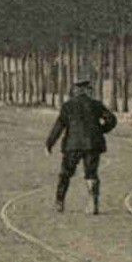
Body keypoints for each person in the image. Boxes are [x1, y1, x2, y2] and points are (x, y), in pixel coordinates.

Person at [45, 74, 118, 215]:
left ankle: (59, 202)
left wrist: (49, 144)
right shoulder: (96, 104)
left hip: (72, 146)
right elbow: (112, 120)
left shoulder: (67, 106)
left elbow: (58, 127)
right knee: (91, 174)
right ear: (87, 89)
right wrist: (101, 130)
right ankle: (93, 204)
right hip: (92, 145)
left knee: (65, 173)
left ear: (76, 90)